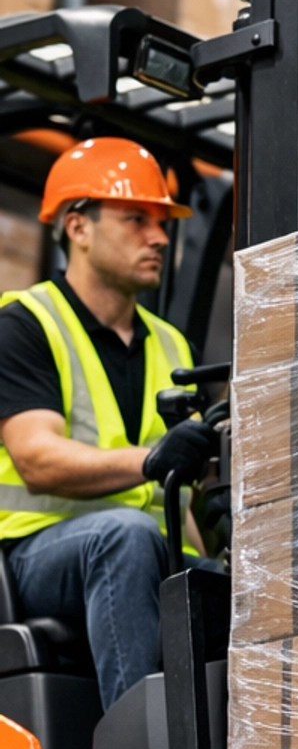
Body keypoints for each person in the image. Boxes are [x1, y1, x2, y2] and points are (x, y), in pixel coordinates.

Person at [0, 139, 216, 710]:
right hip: (32, 557)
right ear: (79, 227)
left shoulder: (171, 345)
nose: (160, 237)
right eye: (137, 219)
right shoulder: (26, 323)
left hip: (134, 548)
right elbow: (35, 458)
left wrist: (218, 558)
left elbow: (180, 494)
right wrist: (150, 459)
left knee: (226, 582)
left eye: (162, 223)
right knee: (127, 536)